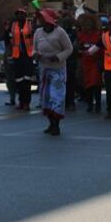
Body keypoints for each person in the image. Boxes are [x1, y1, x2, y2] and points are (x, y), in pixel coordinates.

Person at [33, 8, 74, 136]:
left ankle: (56, 125)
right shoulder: (38, 32)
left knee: (56, 97)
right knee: (45, 97)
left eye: (42, 18)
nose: (40, 20)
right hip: (44, 69)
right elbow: (34, 49)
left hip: (57, 69)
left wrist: (58, 57)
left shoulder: (60, 32)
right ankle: (50, 122)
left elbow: (69, 49)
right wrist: (36, 55)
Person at [8, 9, 36, 110]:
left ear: (25, 16)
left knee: (27, 81)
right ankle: (21, 101)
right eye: (18, 15)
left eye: (22, 14)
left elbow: (35, 36)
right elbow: (8, 38)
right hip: (17, 56)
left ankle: (26, 103)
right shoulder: (13, 25)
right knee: (19, 80)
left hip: (28, 56)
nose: (19, 16)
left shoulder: (30, 24)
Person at [76, 14, 103, 113]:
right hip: (84, 63)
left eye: (88, 23)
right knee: (87, 85)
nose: (86, 25)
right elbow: (77, 48)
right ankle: (90, 104)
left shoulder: (99, 34)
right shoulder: (80, 35)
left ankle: (98, 105)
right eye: (85, 23)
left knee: (96, 84)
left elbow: (102, 48)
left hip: (95, 63)